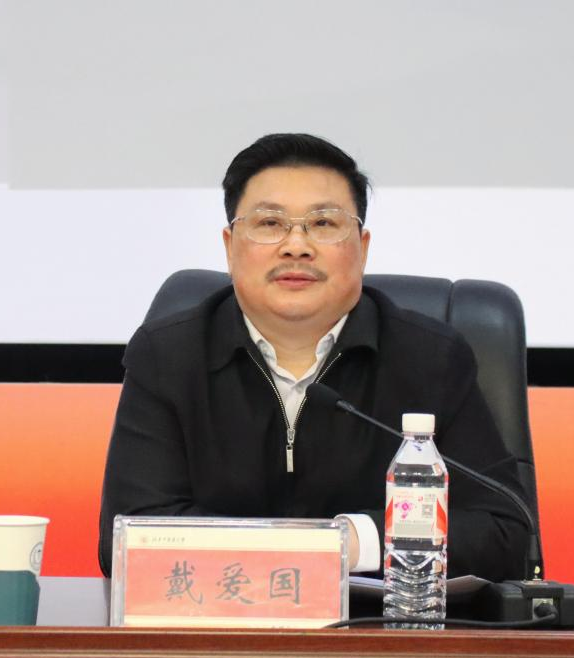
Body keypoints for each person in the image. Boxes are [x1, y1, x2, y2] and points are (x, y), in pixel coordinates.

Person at [98, 133, 528, 580]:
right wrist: (310, 550)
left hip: (381, 622)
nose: (296, 246)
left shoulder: (430, 358)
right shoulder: (169, 356)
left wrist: (354, 543)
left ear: (362, 247)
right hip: (219, 618)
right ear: (229, 245)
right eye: (270, 223)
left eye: (323, 224)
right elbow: (128, 539)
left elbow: (502, 532)